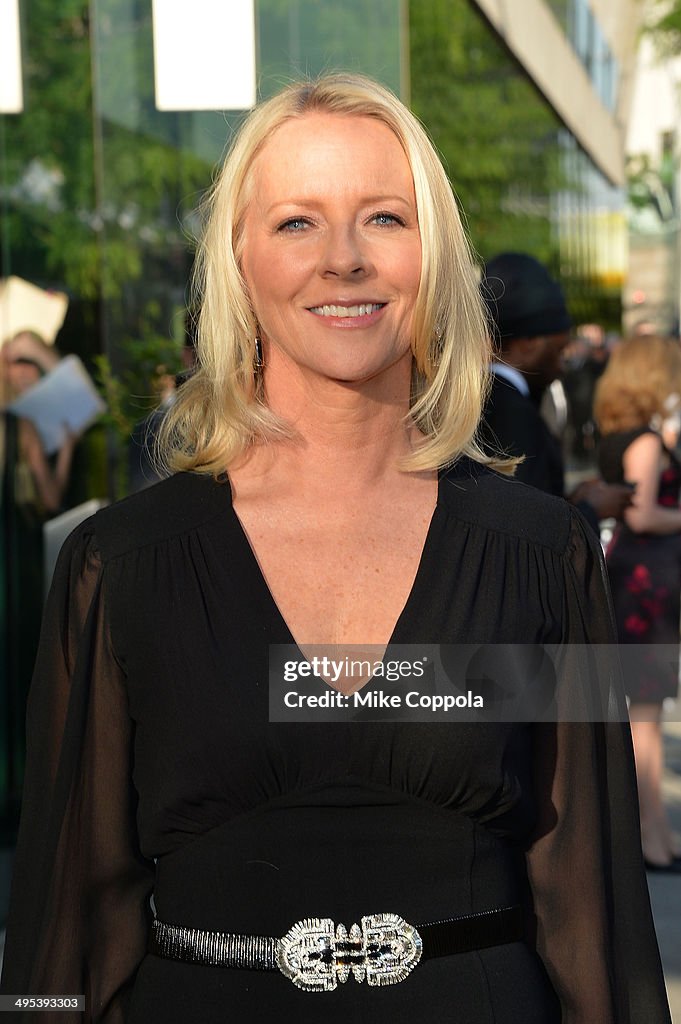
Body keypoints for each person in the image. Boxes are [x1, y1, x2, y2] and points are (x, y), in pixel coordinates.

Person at [0, 74, 670, 1024]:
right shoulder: (121, 565)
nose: (344, 260)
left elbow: (590, 897)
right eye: (296, 224)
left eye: (384, 219)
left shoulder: (546, 553)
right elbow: (71, 906)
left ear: (433, 257)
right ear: (238, 258)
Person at [595, 334, 681, 873]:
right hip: (647, 585)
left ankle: (658, 834)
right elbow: (643, 514)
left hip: (638, 581)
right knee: (646, 716)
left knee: (645, 715)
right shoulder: (646, 441)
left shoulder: (620, 435)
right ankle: (652, 837)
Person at [479, 252, 632, 529]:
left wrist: (571, 501)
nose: (562, 367)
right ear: (528, 343)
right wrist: (591, 510)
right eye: (559, 351)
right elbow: (524, 529)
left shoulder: (488, 399)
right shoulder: (511, 412)